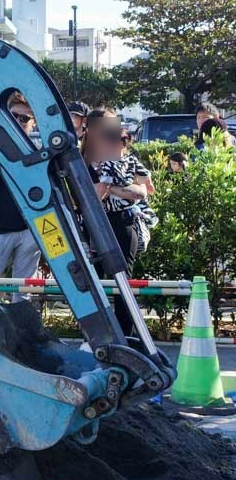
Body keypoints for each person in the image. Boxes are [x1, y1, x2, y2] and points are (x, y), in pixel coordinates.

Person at [83, 110, 154, 336]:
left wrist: (113, 189)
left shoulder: (127, 161)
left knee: (123, 280)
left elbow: (144, 191)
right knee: (93, 279)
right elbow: (85, 195)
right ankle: (98, 332)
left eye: (119, 137)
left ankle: (126, 334)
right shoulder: (79, 159)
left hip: (122, 223)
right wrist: (124, 191)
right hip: (90, 224)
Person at [0, 92, 42, 299]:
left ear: (33, 123)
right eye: (14, 116)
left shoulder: (38, 149)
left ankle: (21, 330)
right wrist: (0, 158)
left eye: (25, 118)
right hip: (1, 227)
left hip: (32, 228)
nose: (19, 122)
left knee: (23, 292)